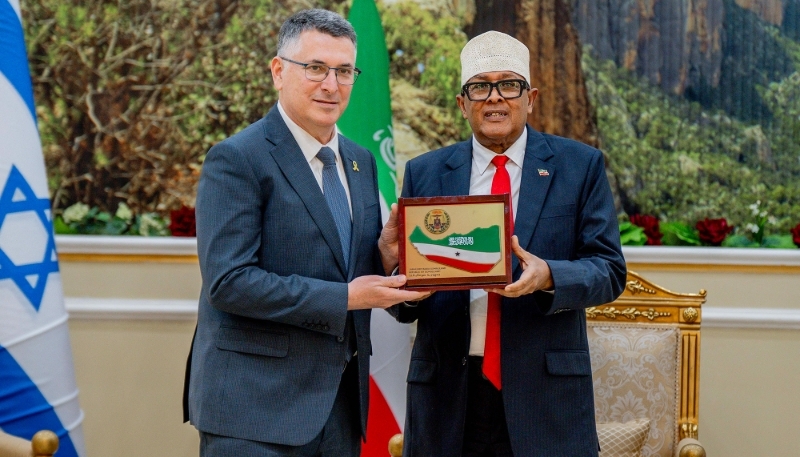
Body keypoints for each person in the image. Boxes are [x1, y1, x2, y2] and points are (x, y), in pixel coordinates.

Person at [182, 9, 425, 457]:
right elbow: (229, 283)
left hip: (340, 408)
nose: (331, 85)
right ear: (279, 71)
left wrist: (388, 257)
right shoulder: (236, 159)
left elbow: (351, 270)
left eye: (344, 71)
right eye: (315, 68)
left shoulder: (360, 160)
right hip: (253, 410)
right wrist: (347, 297)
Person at [392, 31, 627, 457]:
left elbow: (609, 271)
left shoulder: (579, 166)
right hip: (447, 398)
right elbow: (402, 301)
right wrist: (403, 277)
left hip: (546, 399)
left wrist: (550, 276)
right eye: (480, 86)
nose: (495, 98)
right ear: (463, 103)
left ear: (530, 97)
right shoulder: (425, 173)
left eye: (509, 85)